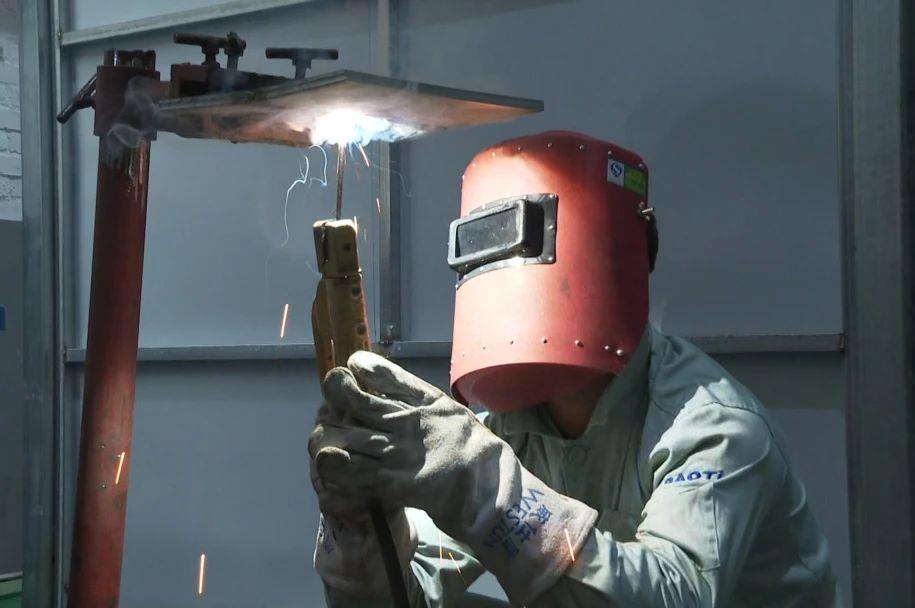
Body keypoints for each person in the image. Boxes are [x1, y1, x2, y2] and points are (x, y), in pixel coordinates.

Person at [308, 131, 840, 607]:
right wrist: (362, 533)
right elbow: (413, 594)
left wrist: (481, 487)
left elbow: (674, 596)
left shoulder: (715, 430)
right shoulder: (508, 427)